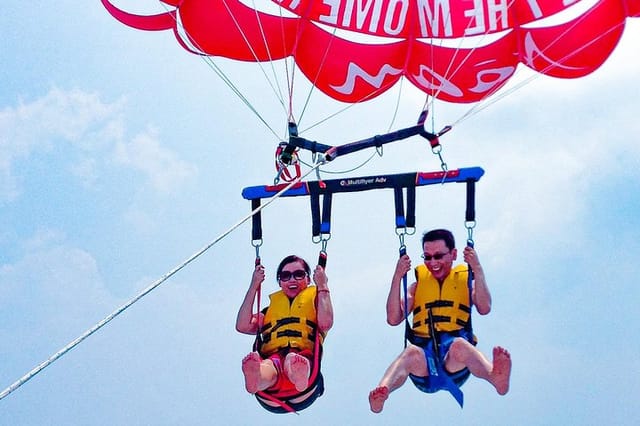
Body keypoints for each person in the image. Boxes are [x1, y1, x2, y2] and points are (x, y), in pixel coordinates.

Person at [369, 229, 511, 413]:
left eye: (438, 256)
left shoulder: (467, 281)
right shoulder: (418, 285)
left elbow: (485, 307)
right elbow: (393, 318)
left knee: (459, 345)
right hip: (424, 366)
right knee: (411, 352)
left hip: (455, 365)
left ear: (453, 254)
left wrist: (477, 268)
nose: (433, 263)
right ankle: (383, 391)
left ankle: (495, 377)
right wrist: (397, 277)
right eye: (427, 257)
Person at [236, 255, 333, 413]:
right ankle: (257, 378)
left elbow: (326, 323)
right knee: (269, 365)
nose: (292, 280)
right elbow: (242, 325)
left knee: (292, 360)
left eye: (299, 274)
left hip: (306, 385)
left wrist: (322, 285)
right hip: (270, 392)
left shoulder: (318, 304)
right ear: (280, 282)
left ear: (309, 280)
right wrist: (254, 285)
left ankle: (299, 376)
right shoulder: (268, 313)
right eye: (285, 276)